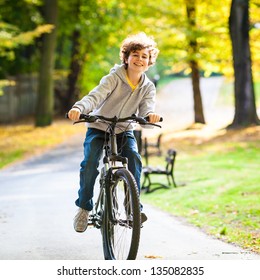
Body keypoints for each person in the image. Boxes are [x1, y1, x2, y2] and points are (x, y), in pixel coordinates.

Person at [68, 32, 161, 233]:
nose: (139, 59)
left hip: (124, 129)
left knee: (134, 159)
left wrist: (150, 116)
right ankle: (84, 207)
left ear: (149, 62)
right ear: (126, 57)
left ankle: (132, 209)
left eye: (144, 56)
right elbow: (95, 96)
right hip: (99, 127)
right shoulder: (113, 78)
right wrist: (79, 108)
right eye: (135, 55)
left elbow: (146, 110)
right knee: (90, 162)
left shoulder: (148, 87)